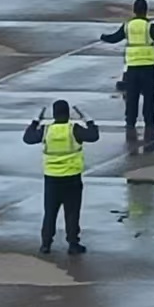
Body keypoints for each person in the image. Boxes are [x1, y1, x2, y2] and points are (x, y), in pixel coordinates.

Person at [100, 0, 154, 144]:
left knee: (132, 97)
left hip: (132, 67)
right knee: (148, 96)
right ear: (146, 10)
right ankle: (150, 122)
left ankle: (130, 122)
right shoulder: (149, 27)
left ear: (134, 10)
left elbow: (114, 38)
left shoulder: (128, 26)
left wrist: (104, 37)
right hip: (147, 67)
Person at [24, 98, 99, 254]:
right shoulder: (74, 129)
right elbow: (93, 136)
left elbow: (28, 138)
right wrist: (88, 120)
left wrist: (35, 121)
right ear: (68, 114)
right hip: (72, 177)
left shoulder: (46, 130)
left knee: (50, 212)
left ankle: (45, 244)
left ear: (53, 114)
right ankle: (73, 243)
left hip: (52, 178)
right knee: (72, 212)